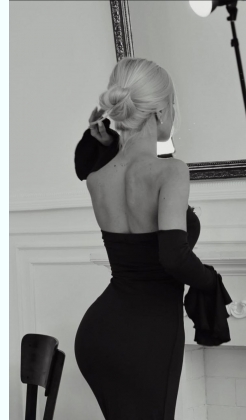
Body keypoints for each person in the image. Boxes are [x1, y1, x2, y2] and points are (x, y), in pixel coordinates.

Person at [73, 57, 232, 420]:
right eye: (173, 104)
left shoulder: (97, 178)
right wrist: (211, 281)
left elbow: (122, 173)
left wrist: (109, 142)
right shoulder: (170, 172)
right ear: (161, 111)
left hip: (98, 333)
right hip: (148, 335)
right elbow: (173, 256)